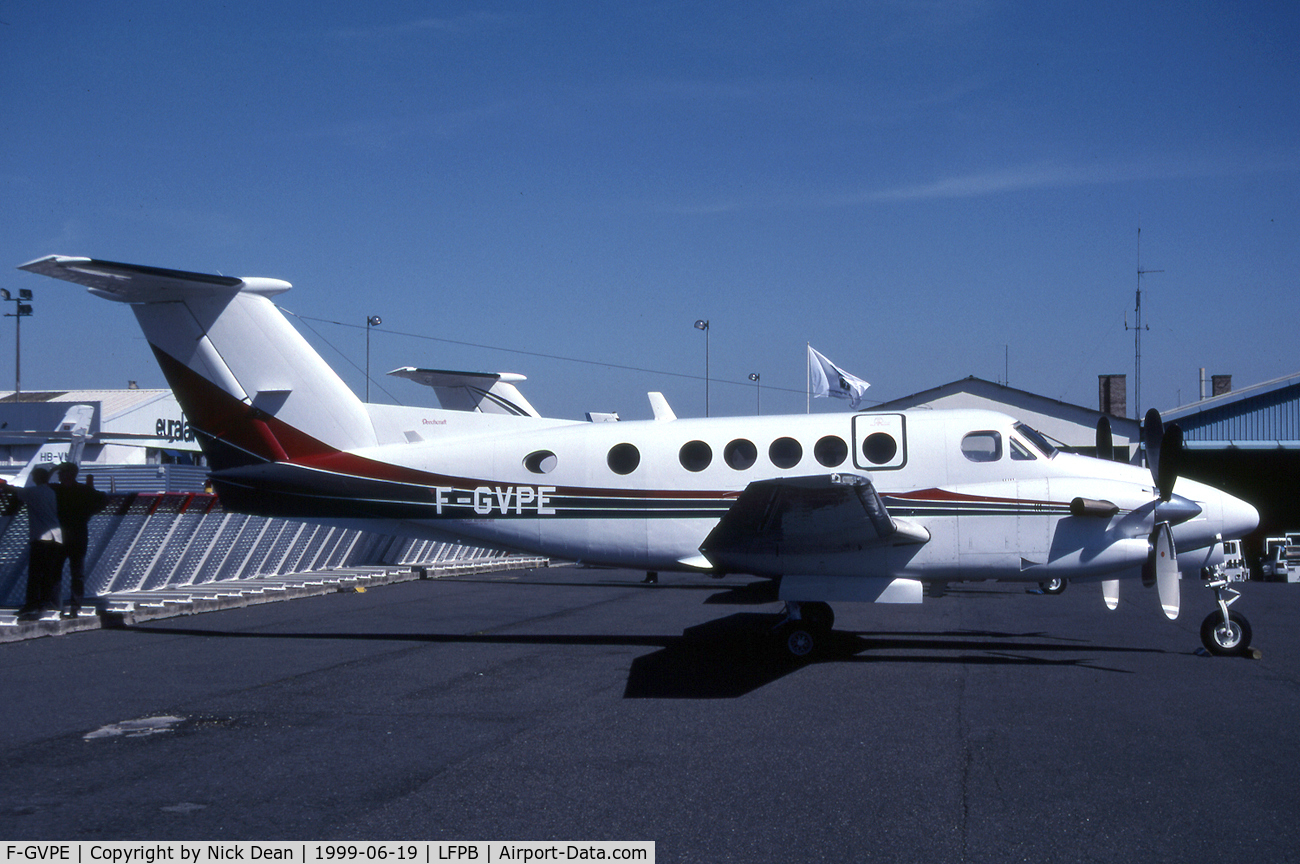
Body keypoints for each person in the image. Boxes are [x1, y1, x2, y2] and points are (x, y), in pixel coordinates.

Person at [0, 467, 64, 621]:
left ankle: (32, 604)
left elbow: (14, 490)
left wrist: (2, 484)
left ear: (35, 478)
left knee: (35, 573)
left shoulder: (33, 492)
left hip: (41, 538)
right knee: (48, 573)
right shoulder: (50, 492)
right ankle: (47, 603)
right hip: (56, 537)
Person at [53, 462, 109, 618]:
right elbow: (104, 499)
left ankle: (56, 605)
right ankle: (75, 606)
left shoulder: (56, 490)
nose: (59, 475)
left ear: (66, 474)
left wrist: (52, 468)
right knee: (77, 573)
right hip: (79, 534)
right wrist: (89, 513)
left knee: (56, 571)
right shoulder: (85, 490)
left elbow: (40, 483)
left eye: (61, 472)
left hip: (60, 535)